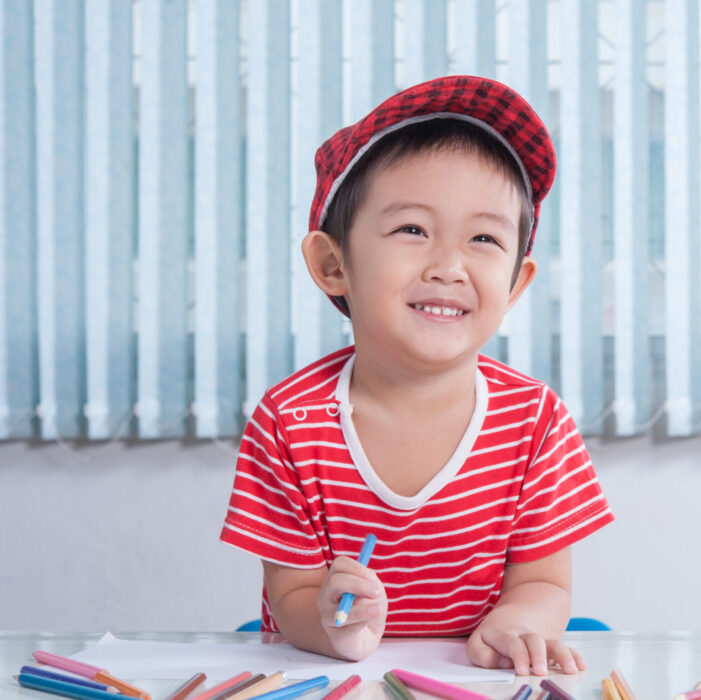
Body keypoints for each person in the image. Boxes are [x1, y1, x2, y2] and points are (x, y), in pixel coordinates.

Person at [220, 75, 614, 676]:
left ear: (516, 284)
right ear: (333, 264)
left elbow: (544, 582)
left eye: (483, 238)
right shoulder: (289, 421)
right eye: (412, 230)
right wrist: (332, 627)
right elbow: (291, 593)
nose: (449, 266)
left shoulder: (535, 420)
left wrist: (517, 623)